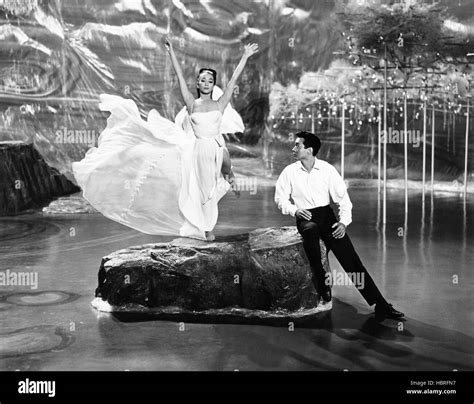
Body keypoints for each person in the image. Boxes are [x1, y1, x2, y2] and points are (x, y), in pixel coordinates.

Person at [72, 39, 258, 241]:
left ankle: (211, 220)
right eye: (202, 80)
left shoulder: (220, 104)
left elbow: (232, 82)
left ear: (213, 85)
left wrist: (245, 57)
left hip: (214, 149)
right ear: (197, 83)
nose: (206, 84)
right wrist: (171, 53)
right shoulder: (191, 104)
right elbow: (179, 77)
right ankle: (201, 228)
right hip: (196, 151)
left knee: (210, 192)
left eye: (210, 81)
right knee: (196, 190)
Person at [274, 131, 405, 320]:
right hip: (306, 218)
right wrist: (294, 210)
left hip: (326, 216)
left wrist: (343, 223)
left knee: (351, 260)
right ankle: (322, 284)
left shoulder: (327, 170)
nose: (293, 149)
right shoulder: (289, 172)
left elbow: (344, 201)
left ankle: (381, 305)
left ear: (309, 150)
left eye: (297, 145)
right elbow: (280, 198)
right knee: (310, 232)